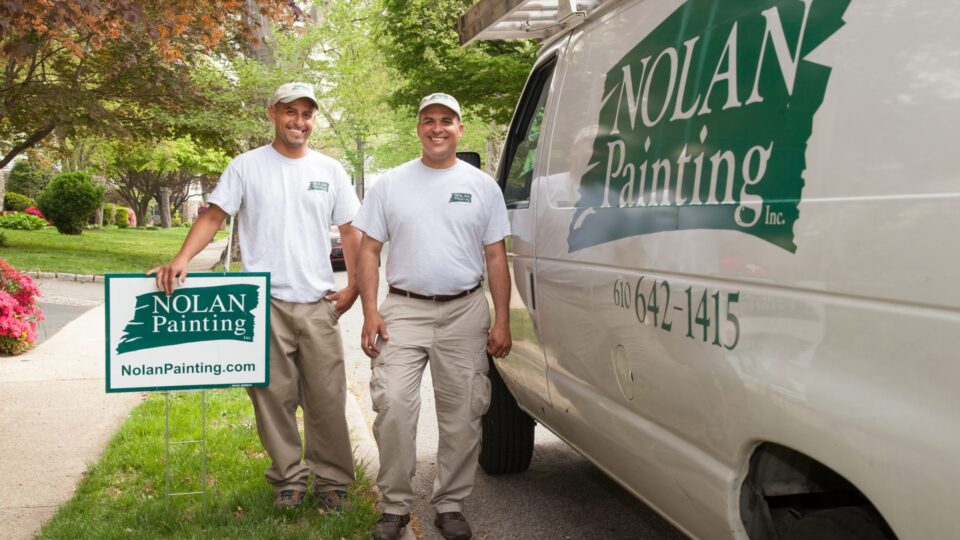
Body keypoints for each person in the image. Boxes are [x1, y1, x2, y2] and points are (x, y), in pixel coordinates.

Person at [149, 82, 362, 510]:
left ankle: (333, 483)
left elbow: (350, 231)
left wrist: (354, 284)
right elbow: (214, 215)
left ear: (313, 119)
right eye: (290, 112)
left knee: (327, 396)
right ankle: (288, 479)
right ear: (273, 113)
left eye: (306, 114)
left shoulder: (330, 171)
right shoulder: (246, 167)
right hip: (261, 301)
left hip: (318, 301)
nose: (298, 122)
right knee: (271, 397)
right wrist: (182, 258)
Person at [353, 93, 512, 540]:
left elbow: (496, 256)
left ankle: (451, 503)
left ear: (460, 129)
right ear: (418, 128)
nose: (437, 128)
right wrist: (369, 311)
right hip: (403, 308)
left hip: (464, 309)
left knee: (463, 412)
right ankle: (395, 506)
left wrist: (501, 319)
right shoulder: (390, 184)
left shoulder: (482, 186)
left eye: (446, 120)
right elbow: (369, 250)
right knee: (396, 407)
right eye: (429, 120)